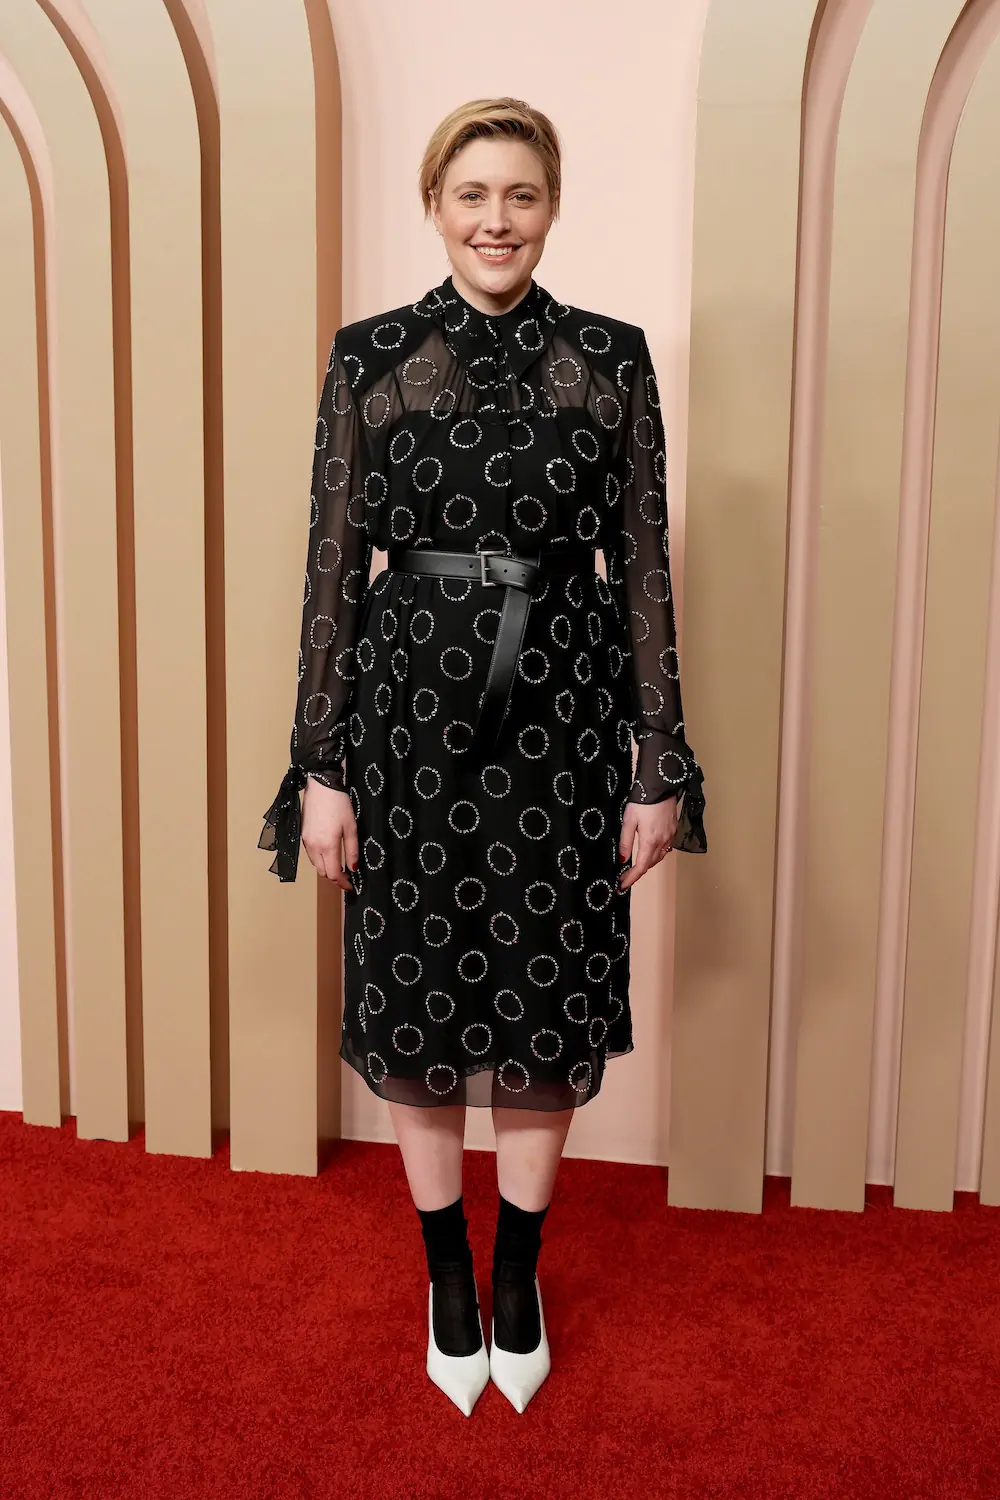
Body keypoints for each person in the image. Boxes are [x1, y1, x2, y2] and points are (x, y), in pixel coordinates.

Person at [259, 97, 707, 1416]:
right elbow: (332, 572)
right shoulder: (371, 357)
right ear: (434, 204)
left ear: (552, 204)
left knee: (547, 1003)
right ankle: (446, 1276)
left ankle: (519, 1277)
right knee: (420, 1002)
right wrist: (320, 765)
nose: (495, 219)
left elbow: (645, 574)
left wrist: (658, 761)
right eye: (471, 194)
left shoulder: (612, 360)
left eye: (519, 195)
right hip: (405, 733)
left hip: (567, 729)